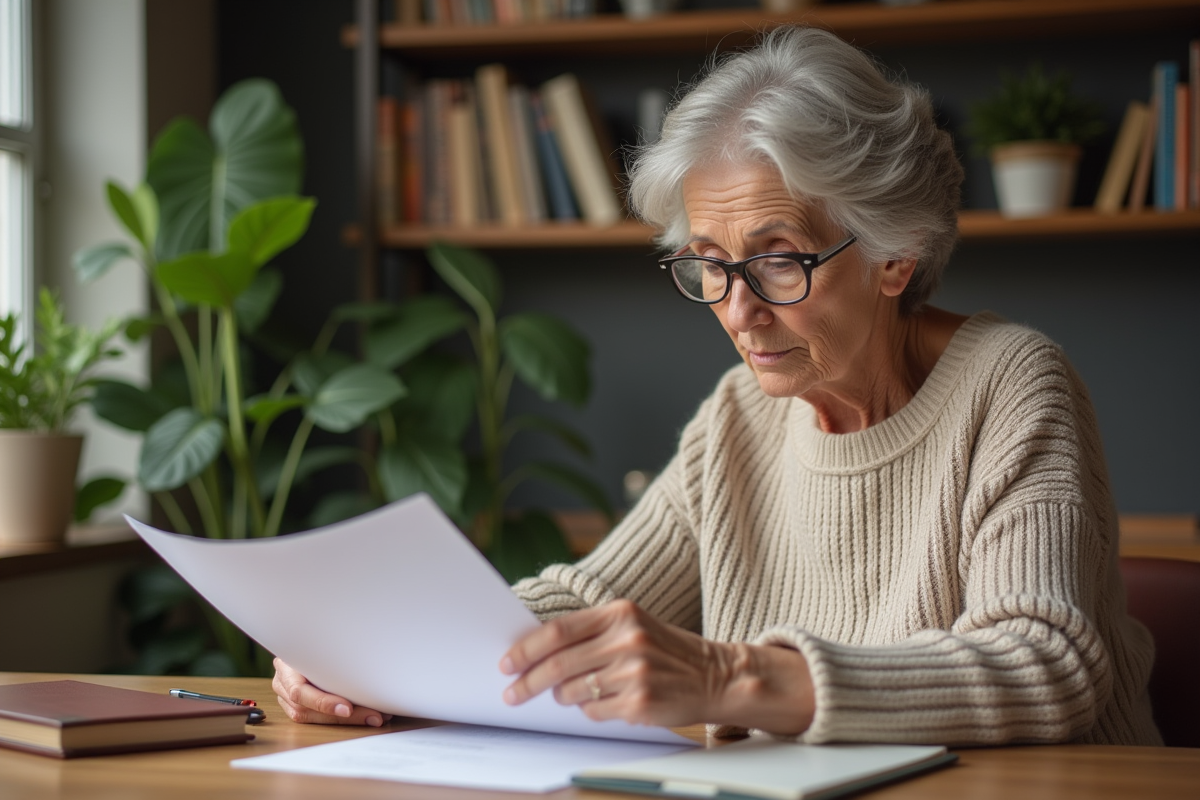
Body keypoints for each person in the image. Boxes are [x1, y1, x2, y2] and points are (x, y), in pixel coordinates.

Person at [274, 26, 1160, 746]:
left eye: (779, 260)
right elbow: (590, 602)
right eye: (708, 263)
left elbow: (1047, 663)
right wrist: (385, 653)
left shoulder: (1012, 385)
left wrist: (730, 676)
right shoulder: (740, 415)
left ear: (897, 254)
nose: (738, 312)